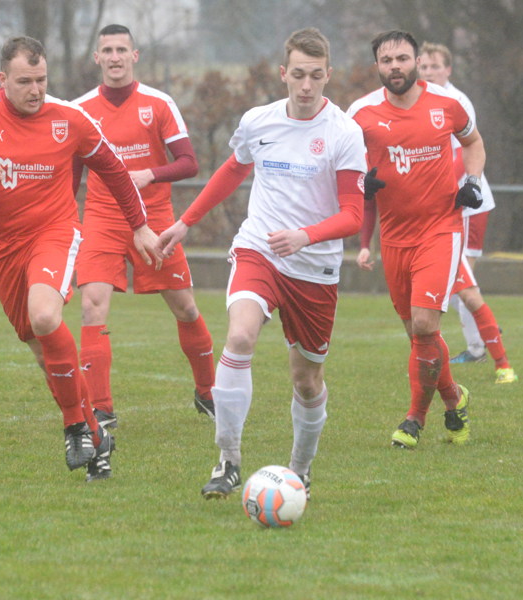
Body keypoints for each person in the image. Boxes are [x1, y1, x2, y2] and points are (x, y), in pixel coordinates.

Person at [0, 36, 165, 481]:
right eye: (24, 82)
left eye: (41, 80)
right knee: (41, 351)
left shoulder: (69, 118)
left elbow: (113, 169)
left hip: (55, 232)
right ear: (2, 79)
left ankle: (75, 426)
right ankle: (97, 437)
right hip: (1, 250)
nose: (35, 90)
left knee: (46, 316)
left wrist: (140, 225)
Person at [159, 27, 366, 500]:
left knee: (306, 380)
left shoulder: (344, 133)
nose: (307, 85)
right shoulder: (259, 121)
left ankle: (299, 470)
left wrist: (305, 236)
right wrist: (186, 221)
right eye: (299, 74)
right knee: (239, 337)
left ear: (328, 75)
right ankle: (228, 460)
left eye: (316, 76)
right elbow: (234, 169)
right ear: (283, 73)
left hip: (314, 267)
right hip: (260, 249)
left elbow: (354, 214)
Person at [73, 24, 214, 429]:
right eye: (107, 51)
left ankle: (207, 392)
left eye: (122, 50)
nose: (114, 57)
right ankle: (102, 409)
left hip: (156, 220)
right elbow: (71, 172)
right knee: (91, 305)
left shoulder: (159, 102)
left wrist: (150, 174)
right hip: (102, 218)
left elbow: (189, 163)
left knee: (185, 308)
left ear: (134, 56)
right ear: (96, 58)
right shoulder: (80, 109)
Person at [348, 30, 482, 449]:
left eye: (402, 58)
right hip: (394, 237)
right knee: (417, 336)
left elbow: (474, 142)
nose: (395, 67)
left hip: (441, 229)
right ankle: (453, 398)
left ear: (416, 61)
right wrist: (360, 183)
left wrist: (472, 180)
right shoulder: (360, 113)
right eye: (387, 60)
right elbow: (344, 166)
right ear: (377, 66)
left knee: (425, 325)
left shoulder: (447, 104)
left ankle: (413, 420)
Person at [418, 41, 518, 384]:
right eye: (424, 66)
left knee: (462, 284)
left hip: (468, 205)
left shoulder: (456, 101)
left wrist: (440, 189)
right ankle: (481, 342)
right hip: (441, 207)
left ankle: (482, 346)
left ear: (448, 70)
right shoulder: (418, 100)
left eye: (435, 66)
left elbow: (466, 151)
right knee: (459, 286)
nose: (429, 72)